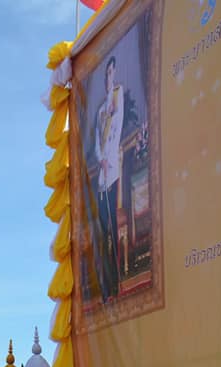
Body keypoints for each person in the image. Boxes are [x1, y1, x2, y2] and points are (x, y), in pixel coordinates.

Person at [94, 55, 124, 304]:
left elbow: (117, 130)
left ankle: (117, 284)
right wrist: (100, 158)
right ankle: (105, 288)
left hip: (112, 172)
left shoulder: (117, 98)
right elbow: (96, 143)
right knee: (102, 233)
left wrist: (107, 158)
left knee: (113, 227)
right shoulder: (100, 111)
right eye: (106, 75)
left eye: (111, 73)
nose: (108, 78)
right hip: (101, 177)